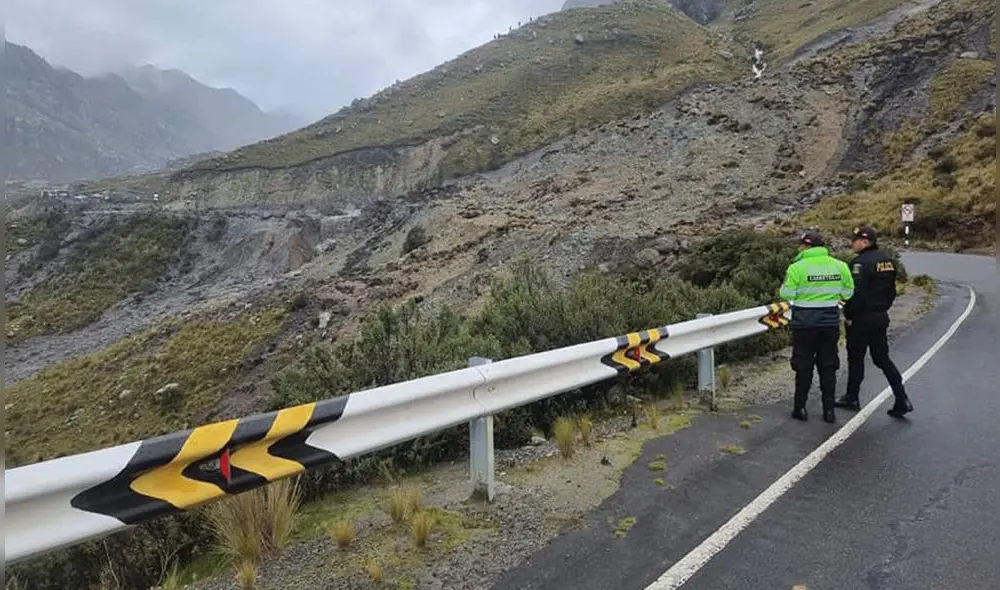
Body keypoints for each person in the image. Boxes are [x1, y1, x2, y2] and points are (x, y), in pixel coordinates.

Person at [835, 226, 913, 418]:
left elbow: (856, 295)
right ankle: (901, 397)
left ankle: (852, 397)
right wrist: (883, 307)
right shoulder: (887, 261)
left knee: (856, 358)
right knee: (882, 358)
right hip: (880, 316)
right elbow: (892, 291)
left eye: (854, 240)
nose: (851, 243)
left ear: (864, 241)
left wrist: (850, 315)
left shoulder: (859, 263)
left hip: (862, 318)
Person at [780, 231, 855, 423]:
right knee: (828, 365)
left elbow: (787, 294)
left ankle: (800, 408)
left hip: (804, 324)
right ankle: (829, 410)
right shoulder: (840, 266)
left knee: (803, 365)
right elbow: (848, 292)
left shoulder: (796, 268)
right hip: (829, 322)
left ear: (806, 246)